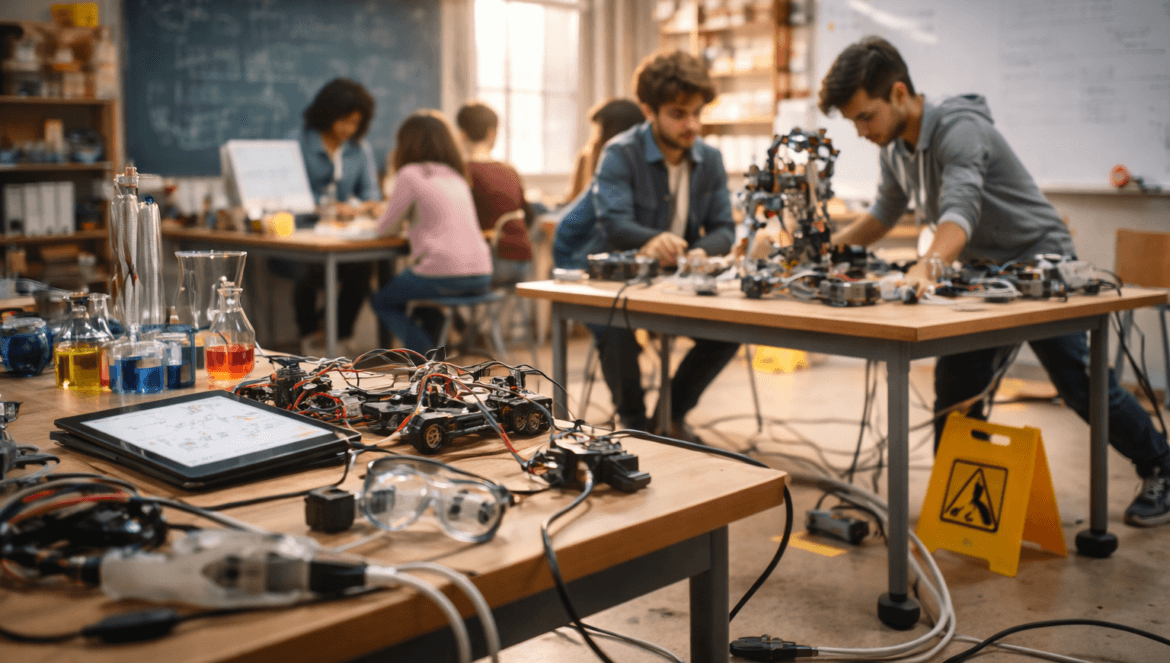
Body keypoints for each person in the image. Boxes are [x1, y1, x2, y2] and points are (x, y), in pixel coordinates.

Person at [820, 36, 1170, 526]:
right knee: (957, 382)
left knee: (1081, 384)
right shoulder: (895, 147)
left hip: (1038, 261)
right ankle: (958, 495)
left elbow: (961, 207)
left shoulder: (959, 128)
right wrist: (822, 250)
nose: (859, 131)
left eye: (864, 116)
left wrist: (929, 265)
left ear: (899, 94)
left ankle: (1161, 464)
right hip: (980, 270)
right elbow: (882, 213)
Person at [568, 50, 741, 442]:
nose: (691, 125)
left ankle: (672, 413)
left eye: (697, 113)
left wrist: (702, 251)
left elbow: (725, 228)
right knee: (613, 327)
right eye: (678, 114)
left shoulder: (709, 159)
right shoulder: (620, 153)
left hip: (682, 284)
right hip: (628, 283)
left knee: (732, 329)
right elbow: (612, 223)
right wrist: (650, 239)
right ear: (649, 109)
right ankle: (634, 422)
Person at [371, 110, 492, 354]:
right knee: (425, 300)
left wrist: (377, 216)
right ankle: (433, 350)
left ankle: (426, 353)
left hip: (442, 275)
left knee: (382, 300)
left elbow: (385, 230)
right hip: (482, 273)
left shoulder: (410, 174)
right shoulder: (456, 176)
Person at [290, 78, 381, 356]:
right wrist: (328, 205)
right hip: (300, 235)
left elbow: (371, 192)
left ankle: (339, 333)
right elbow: (291, 193)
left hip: (345, 236)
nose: (349, 129)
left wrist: (363, 206)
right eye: (344, 121)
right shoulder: (297, 141)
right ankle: (309, 335)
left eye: (355, 123)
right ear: (327, 113)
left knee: (364, 265)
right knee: (305, 269)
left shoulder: (359, 147)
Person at [553, 98, 646, 269]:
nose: (594, 140)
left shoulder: (622, 165)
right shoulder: (606, 164)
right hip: (586, 263)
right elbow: (569, 226)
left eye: (598, 131)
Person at [454, 102, 535, 287]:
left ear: (462, 135)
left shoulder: (464, 172)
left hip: (490, 263)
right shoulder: (509, 170)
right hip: (524, 262)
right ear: (492, 134)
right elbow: (529, 217)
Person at [562, 98, 647, 205]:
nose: (595, 140)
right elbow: (574, 202)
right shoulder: (585, 158)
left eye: (599, 131)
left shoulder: (640, 165)